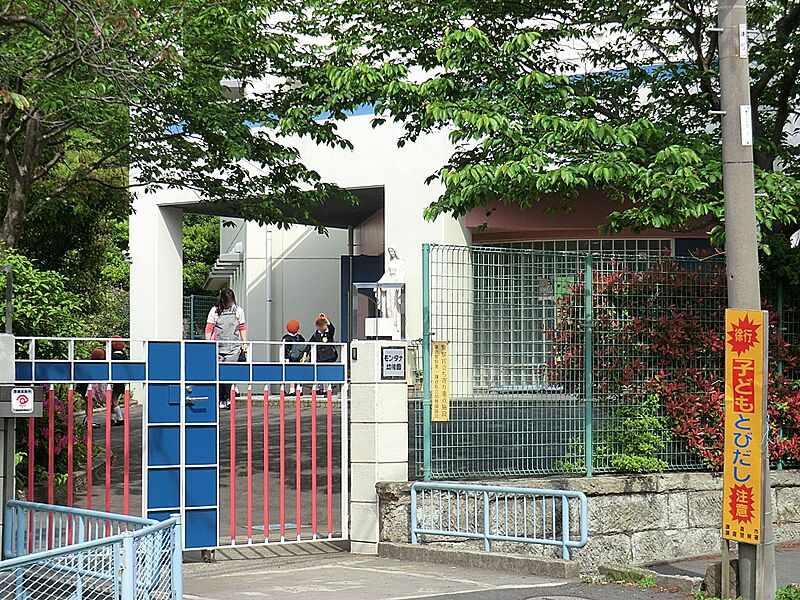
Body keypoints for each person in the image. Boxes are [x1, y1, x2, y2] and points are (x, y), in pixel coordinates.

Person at [205, 288, 247, 410]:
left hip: (233, 347)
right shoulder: (214, 311)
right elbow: (209, 328)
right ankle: (220, 398)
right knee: (219, 373)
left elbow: (242, 327)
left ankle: (228, 398)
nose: (230, 303)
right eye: (228, 301)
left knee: (228, 372)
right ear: (222, 300)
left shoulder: (238, 311)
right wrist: (208, 344)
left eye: (231, 301)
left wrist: (245, 343)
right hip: (218, 347)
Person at [75, 347, 108, 429]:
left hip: (84, 387)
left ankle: (89, 421)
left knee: (88, 404)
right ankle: (89, 421)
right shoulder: (103, 366)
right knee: (90, 404)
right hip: (91, 389)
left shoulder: (88, 365)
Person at [378, 246, 406, 337]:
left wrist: (398, 281)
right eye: (389, 251)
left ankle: (396, 325)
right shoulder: (390, 263)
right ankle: (390, 325)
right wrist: (380, 282)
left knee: (395, 305)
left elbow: (402, 274)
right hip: (389, 284)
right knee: (388, 305)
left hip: (395, 284)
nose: (391, 253)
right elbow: (386, 274)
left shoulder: (400, 262)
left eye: (392, 251)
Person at [283, 320, 307, 395]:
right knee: (300, 373)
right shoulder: (301, 338)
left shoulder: (286, 338)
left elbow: (284, 350)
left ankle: (292, 389)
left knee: (291, 373)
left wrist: (285, 358)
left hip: (291, 359)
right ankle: (300, 389)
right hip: (300, 358)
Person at [109, 335, 127, 426]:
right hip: (121, 380)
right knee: (114, 399)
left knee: (113, 400)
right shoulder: (124, 356)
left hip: (114, 381)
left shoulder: (112, 356)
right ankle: (112, 418)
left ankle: (120, 418)